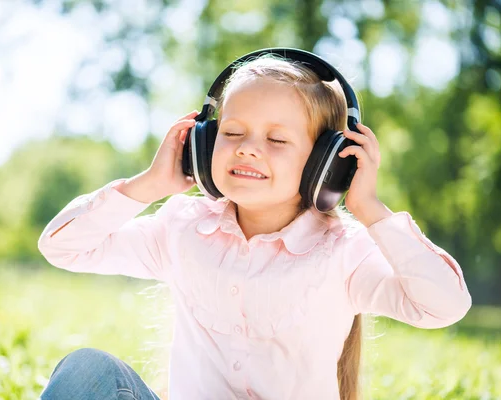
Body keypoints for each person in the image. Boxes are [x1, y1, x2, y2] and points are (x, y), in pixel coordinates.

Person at [37, 50, 472, 400]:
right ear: (204, 143)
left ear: (328, 164)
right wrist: (149, 185)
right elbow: (64, 247)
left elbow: (443, 305)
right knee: (86, 371)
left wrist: (371, 208)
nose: (247, 149)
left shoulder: (344, 253)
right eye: (231, 132)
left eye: (277, 139)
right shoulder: (182, 229)